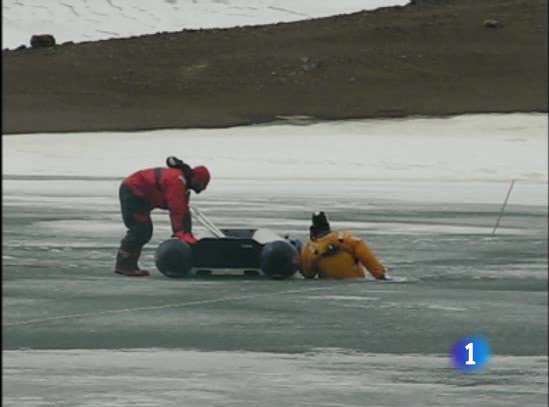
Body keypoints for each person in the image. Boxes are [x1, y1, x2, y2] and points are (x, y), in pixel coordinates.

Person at [114, 156, 211, 277]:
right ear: (197, 180)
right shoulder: (177, 180)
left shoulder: (184, 186)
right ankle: (124, 265)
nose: (201, 189)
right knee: (140, 230)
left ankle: (128, 265)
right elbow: (177, 210)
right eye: (202, 185)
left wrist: (187, 234)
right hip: (133, 191)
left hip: (141, 195)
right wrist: (180, 233)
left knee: (143, 231)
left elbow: (184, 211)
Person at [300, 211, 390, 280]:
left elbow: (308, 274)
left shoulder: (310, 250)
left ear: (313, 230)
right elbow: (372, 263)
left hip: (327, 290)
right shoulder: (347, 240)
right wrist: (381, 276)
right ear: (328, 226)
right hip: (355, 285)